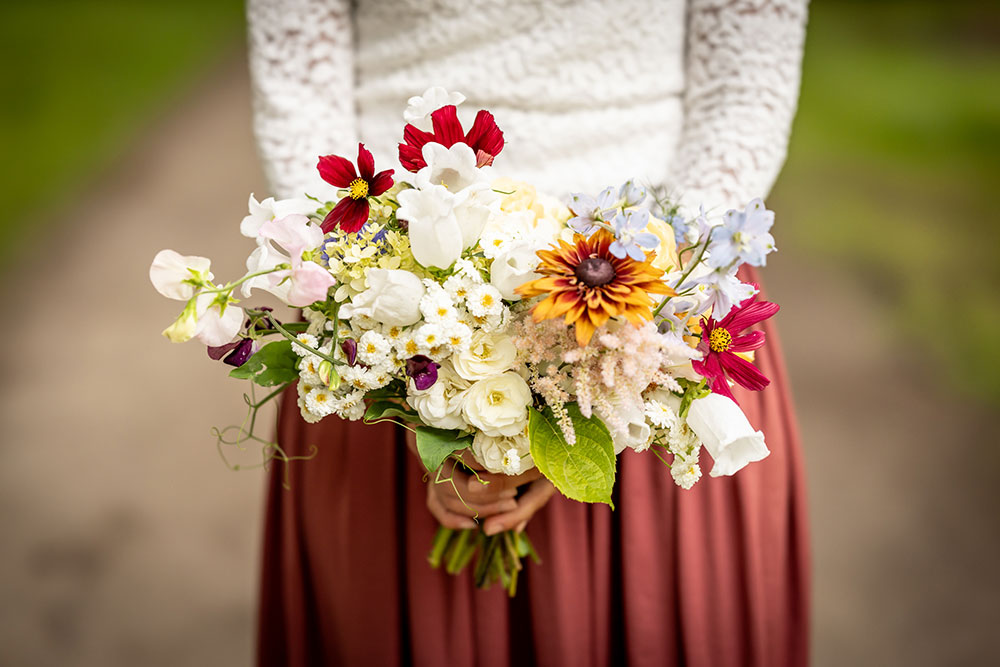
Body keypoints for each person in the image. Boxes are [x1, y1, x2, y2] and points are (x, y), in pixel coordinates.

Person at [247, 0, 810, 664]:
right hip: (389, 318)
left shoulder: (651, 323)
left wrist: (629, 339)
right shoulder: (384, 315)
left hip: (657, 320)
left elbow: (746, 84)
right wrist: (381, 318)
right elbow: (300, 86)